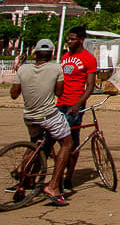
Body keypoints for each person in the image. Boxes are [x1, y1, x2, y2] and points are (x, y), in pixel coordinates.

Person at [11, 39, 72, 206]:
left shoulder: (23, 69)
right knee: (67, 143)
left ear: (34, 54)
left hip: (29, 116)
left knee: (35, 146)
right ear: (52, 54)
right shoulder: (56, 68)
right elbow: (60, 93)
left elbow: (14, 93)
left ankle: (23, 185)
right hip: (48, 116)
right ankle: (53, 186)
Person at [57, 26, 97, 192]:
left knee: (71, 143)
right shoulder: (65, 57)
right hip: (60, 104)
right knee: (55, 140)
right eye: (68, 38)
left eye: (73, 39)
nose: (69, 42)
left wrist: (78, 104)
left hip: (75, 105)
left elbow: (90, 86)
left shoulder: (88, 59)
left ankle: (67, 177)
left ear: (81, 40)